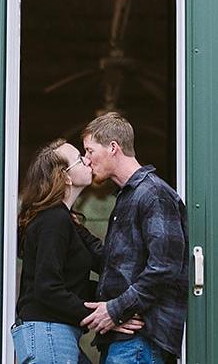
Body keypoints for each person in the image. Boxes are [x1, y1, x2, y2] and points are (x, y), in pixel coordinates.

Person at [14, 138, 145, 364]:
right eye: (79, 158)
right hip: (49, 333)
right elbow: (47, 288)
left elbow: (101, 262)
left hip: (56, 334)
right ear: (65, 177)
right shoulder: (53, 220)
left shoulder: (65, 220)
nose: (87, 160)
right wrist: (104, 316)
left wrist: (118, 304)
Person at [80, 113, 189, 364]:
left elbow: (164, 268)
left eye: (89, 151)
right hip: (125, 340)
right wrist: (73, 226)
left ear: (113, 148)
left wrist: (115, 310)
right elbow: (114, 264)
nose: (86, 160)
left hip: (140, 340)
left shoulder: (153, 194)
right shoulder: (129, 196)